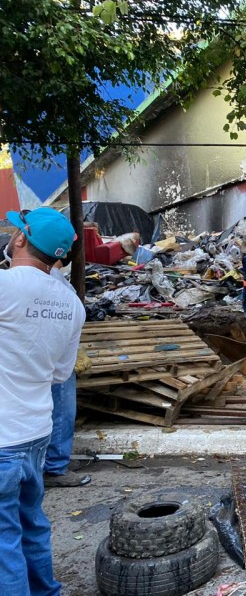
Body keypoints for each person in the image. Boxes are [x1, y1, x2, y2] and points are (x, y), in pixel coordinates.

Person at [0, 207, 84, 595]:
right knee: (31, 523)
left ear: (20, 239)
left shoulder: (6, 286)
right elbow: (59, 376)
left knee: (4, 542)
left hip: (3, 440)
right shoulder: (72, 306)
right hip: (36, 434)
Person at [43, 260, 91, 488]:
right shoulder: (49, 279)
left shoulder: (20, 277)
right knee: (62, 409)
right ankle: (54, 468)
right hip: (56, 357)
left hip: (48, 356)